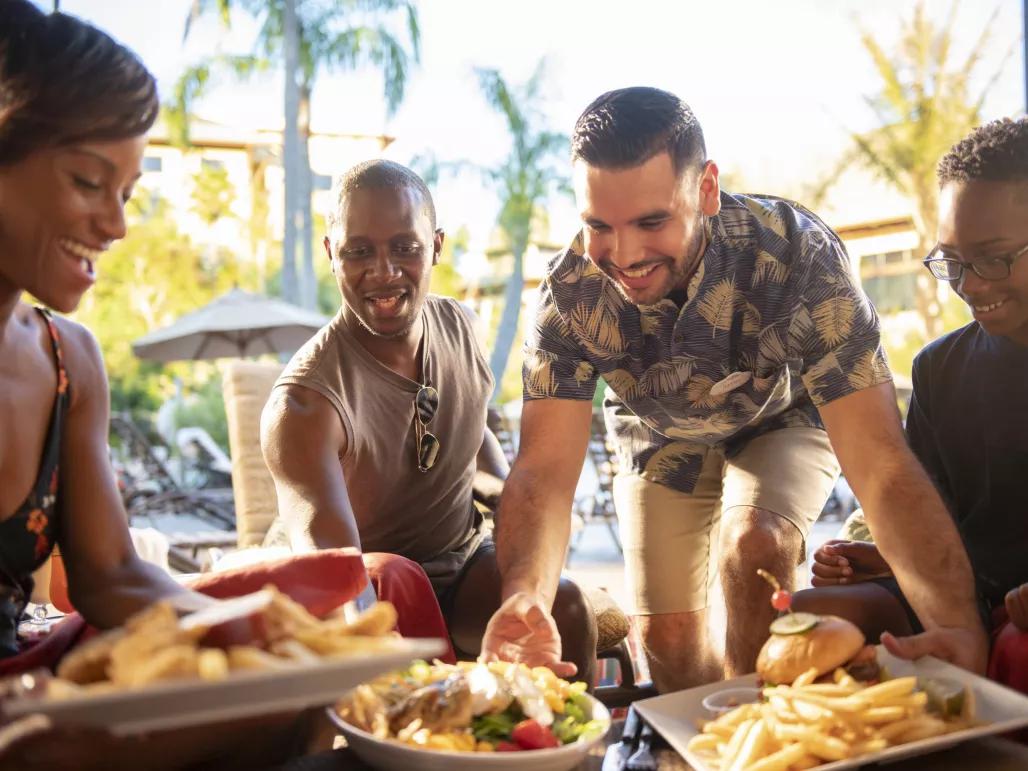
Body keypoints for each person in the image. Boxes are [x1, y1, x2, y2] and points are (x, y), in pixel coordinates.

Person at [480, 86, 987, 692]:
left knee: (753, 545)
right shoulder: (569, 296)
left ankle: (760, 739)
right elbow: (542, 472)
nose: (625, 254)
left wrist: (957, 625)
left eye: (652, 221)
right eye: (599, 226)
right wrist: (523, 597)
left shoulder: (799, 254)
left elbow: (880, 461)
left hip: (781, 415)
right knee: (667, 640)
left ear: (707, 189)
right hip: (656, 431)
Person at [259, 159, 597, 682]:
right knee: (392, 594)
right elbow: (337, 578)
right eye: (359, 251)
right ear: (332, 254)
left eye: (405, 248)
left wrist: (520, 520)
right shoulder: (304, 405)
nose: (384, 271)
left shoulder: (458, 325)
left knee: (563, 610)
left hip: (458, 563)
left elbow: (474, 432)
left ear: (436, 245)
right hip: (371, 588)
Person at [0, 0, 239, 665]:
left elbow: (112, 578)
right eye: (87, 182)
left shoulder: (67, 362)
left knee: (284, 691)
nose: (116, 225)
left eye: (127, 192)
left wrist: (265, 633)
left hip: (23, 693)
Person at [794, 117, 1028, 696]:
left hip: (1012, 624)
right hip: (972, 597)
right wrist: (887, 559)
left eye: (994, 258)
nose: (971, 286)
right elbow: (943, 524)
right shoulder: (940, 370)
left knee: (1017, 648)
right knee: (811, 615)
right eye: (952, 260)